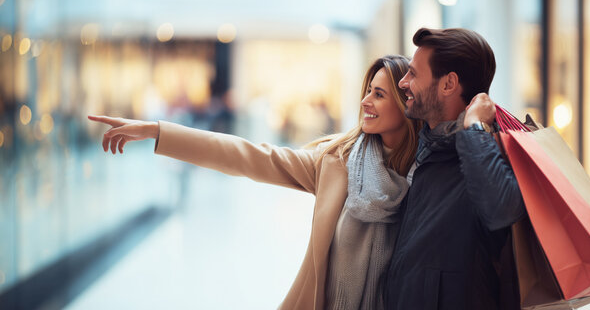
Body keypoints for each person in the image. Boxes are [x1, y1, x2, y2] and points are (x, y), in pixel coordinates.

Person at [88, 55, 423, 310]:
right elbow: (247, 155)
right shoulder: (337, 163)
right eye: (367, 91)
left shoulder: (426, 174)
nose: (365, 101)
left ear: (405, 103)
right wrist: (158, 131)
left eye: (378, 94)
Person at [385, 28, 526, 310]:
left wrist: (474, 128)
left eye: (413, 74)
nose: (402, 82)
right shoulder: (430, 147)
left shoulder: (485, 149)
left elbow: (503, 209)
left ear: (448, 84)